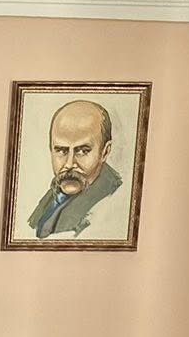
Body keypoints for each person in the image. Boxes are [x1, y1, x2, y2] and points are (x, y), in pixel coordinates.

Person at [27, 99, 123, 241]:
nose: (69, 164)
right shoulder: (56, 192)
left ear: (105, 152)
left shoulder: (112, 204)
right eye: (61, 150)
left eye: (83, 151)